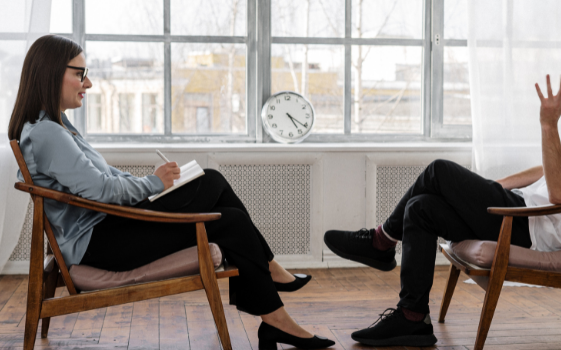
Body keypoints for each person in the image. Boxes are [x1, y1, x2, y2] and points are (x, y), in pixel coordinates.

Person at [8, 34, 335, 350]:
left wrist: (154, 183)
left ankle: (275, 311)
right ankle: (271, 284)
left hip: (106, 231)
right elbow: (101, 191)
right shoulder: (49, 133)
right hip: (101, 243)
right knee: (217, 192)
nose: (88, 84)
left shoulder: (55, 126)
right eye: (81, 75)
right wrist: (155, 184)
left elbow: (101, 178)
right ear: (52, 73)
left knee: (220, 197)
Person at [324, 63, 561, 347]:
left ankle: (381, 242)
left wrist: (548, 125)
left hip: (530, 228)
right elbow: (549, 170)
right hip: (521, 210)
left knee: (439, 170)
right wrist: (492, 187)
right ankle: (412, 317)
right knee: (420, 207)